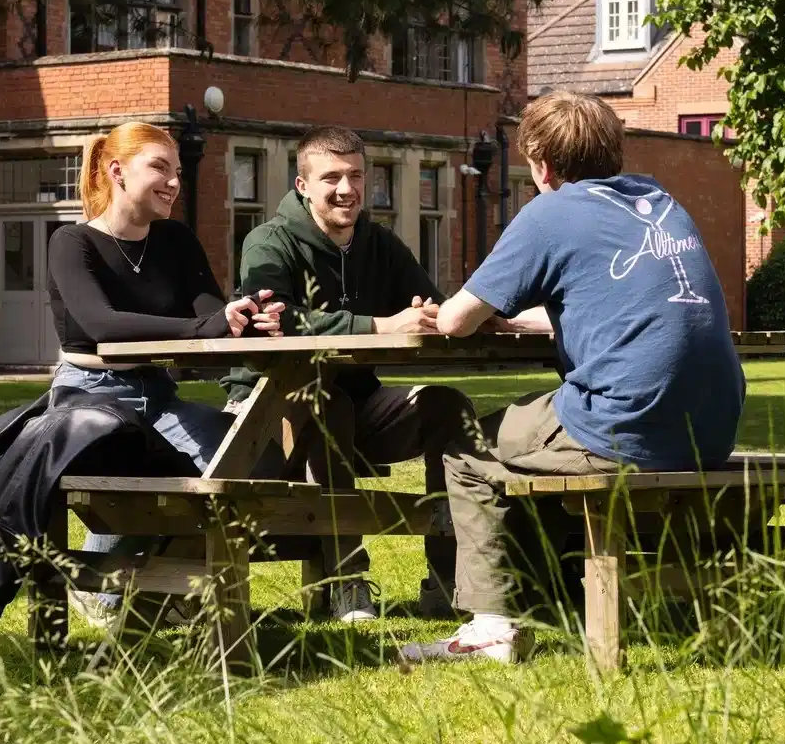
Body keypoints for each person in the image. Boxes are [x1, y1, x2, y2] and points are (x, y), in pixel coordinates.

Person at [399, 91, 747, 665]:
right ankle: (546, 596)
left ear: (541, 164)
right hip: (712, 430)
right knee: (534, 439)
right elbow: (612, 302)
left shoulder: (552, 211)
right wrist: (516, 318)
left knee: (466, 447)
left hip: (627, 423)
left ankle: (492, 629)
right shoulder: (658, 202)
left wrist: (464, 312)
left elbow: (457, 320)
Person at [232, 125, 480, 623]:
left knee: (447, 406)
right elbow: (274, 320)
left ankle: (448, 581)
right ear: (303, 185)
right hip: (271, 411)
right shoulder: (268, 241)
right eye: (331, 178)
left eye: (356, 176)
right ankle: (346, 581)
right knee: (330, 404)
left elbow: (431, 303)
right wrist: (380, 325)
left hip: (362, 405)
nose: (347, 189)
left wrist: (433, 314)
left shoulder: (379, 242)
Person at [46, 121, 283, 624]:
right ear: (117, 171)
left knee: (247, 456)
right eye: (159, 168)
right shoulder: (72, 242)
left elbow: (210, 316)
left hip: (157, 392)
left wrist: (248, 320)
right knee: (148, 467)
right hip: (89, 398)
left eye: (177, 171)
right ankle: (104, 588)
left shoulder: (176, 240)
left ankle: (170, 584)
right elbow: (102, 325)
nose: (174, 182)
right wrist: (207, 325)